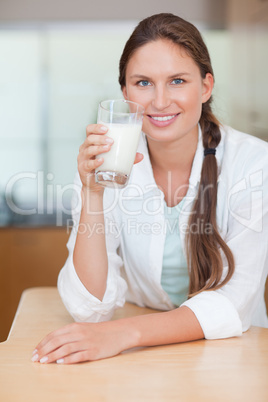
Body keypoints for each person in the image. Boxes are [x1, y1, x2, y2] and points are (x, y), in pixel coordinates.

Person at [32, 13, 268, 365]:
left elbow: (233, 301)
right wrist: (92, 194)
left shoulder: (254, 162)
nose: (159, 101)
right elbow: (89, 307)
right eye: (143, 83)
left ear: (205, 86)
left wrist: (127, 333)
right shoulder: (108, 163)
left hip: (232, 355)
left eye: (177, 81)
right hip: (144, 361)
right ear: (125, 92)